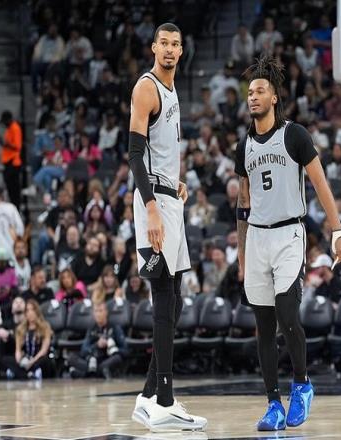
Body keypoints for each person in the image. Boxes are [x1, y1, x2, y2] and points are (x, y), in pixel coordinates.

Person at [234, 56, 341, 431]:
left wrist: (336, 231)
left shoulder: (294, 135)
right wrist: (241, 254)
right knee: (264, 328)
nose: (253, 96)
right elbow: (242, 203)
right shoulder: (243, 145)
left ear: (274, 98)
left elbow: (320, 183)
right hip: (257, 237)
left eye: (260, 91)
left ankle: (302, 384)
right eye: (250, 92)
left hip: (289, 234)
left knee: (287, 315)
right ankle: (273, 404)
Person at [128, 22, 207, 431]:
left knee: (174, 300)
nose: (171, 49)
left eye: (177, 43)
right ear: (154, 47)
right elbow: (134, 155)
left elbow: (160, 152)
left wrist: (174, 183)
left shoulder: (172, 90)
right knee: (163, 296)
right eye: (165, 43)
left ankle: (148, 395)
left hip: (168, 197)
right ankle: (164, 399)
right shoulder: (147, 87)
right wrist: (152, 207)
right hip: (154, 204)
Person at [68, 301, 127, 379]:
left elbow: (125, 350)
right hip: (93, 359)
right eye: (96, 311)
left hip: (106, 359)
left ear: (106, 312)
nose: (98, 314)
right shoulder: (92, 328)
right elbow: (84, 350)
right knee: (71, 357)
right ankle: (96, 372)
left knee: (117, 358)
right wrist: (97, 345)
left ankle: (87, 373)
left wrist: (112, 347)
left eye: (100, 311)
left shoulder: (115, 327)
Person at [2, 299, 53, 379]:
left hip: (38, 358)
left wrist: (32, 362)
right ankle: (27, 375)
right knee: (6, 359)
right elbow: (18, 350)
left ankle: (20, 373)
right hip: (25, 358)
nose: (30, 313)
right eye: (27, 310)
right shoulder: (20, 329)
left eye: (32, 310)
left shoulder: (45, 327)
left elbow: (44, 350)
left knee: (45, 361)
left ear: (37, 312)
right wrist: (19, 360)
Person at [0, 111, 23, 208]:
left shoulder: (15, 128)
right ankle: (13, 206)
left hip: (14, 162)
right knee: (10, 188)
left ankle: (16, 208)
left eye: (4, 121)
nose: (4, 124)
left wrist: (3, 143)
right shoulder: (9, 129)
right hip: (8, 162)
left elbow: (17, 147)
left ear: (9, 120)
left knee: (14, 189)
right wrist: (2, 143)